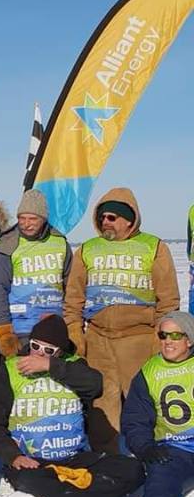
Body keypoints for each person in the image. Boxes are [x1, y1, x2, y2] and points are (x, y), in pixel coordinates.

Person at [0, 314, 142, 497]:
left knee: (133, 469)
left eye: (48, 350)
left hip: (75, 459)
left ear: (59, 352)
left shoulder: (72, 366)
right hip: (33, 462)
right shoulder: (9, 370)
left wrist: (51, 366)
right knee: (31, 482)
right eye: (35, 346)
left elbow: (95, 384)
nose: (38, 353)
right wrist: (13, 455)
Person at [63, 189, 179, 454]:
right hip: (98, 338)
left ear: (129, 219)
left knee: (145, 402)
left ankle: (155, 454)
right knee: (102, 403)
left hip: (139, 339)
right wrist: (75, 333)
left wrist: (160, 339)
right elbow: (73, 299)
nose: (106, 221)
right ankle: (108, 458)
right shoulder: (87, 250)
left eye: (112, 217)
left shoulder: (154, 247)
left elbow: (168, 300)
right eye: (102, 217)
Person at [122, 312, 194, 497]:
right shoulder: (149, 372)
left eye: (175, 335)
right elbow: (135, 418)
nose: (168, 341)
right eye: (163, 335)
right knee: (161, 474)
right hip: (174, 449)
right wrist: (144, 447)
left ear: (189, 340)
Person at [0, 189, 71, 357]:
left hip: (54, 330)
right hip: (21, 331)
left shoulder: (60, 243)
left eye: (33, 219)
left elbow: (71, 286)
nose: (26, 224)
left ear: (44, 219)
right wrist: (4, 330)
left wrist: (73, 324)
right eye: (22, 218)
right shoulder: (7, 246)